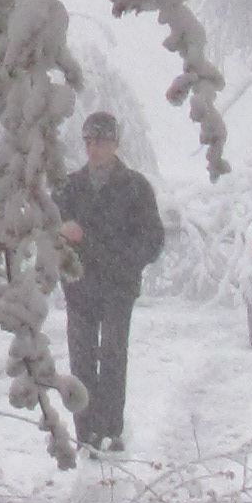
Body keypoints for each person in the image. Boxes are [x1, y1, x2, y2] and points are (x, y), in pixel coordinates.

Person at [55, 111, 163, 457]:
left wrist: (124, 261)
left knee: (114, 355)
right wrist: (62, 235)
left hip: (118, 287)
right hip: (80, 287)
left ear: (115, 144)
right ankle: (86, 434)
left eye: (99, 141)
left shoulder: (135, 187)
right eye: (87, 141)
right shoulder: (70, 188)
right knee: (82, 358)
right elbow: (49, 230)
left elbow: (153, 239)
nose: (93, 148)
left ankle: (112, 430)